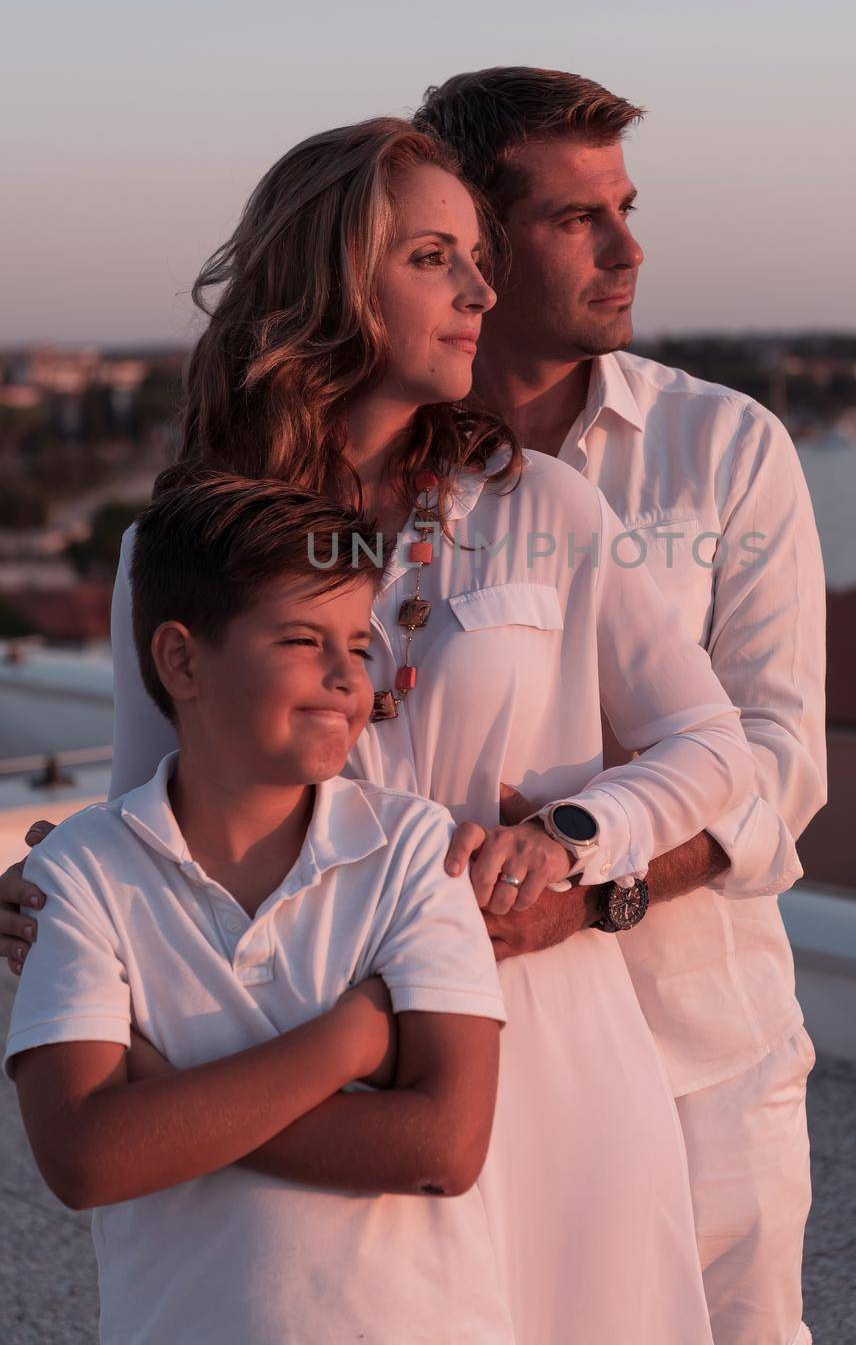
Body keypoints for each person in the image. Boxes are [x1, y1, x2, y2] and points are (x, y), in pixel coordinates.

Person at [1, 118, 756, 1343]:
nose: (479, 287)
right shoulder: (175, 551)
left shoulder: (544, 508)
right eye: (432, 257)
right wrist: (55, 887)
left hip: (537, 1049)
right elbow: (159, 817)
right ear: (331, 285)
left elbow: (713, 746)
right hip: (282, 1041)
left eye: (476, 255)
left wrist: (570, 837)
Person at [413, 67, 828, 1345]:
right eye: (573, 218)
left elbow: (775, 762)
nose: (626, 248)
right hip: (462, 1064)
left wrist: (590, 885)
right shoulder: (368, 466)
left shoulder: (727, 447)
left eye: (625, 208)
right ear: (472, 247)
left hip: (708, 1062)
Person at [5, 473, 513, 1345]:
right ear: (182, 661)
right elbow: (85, 1161)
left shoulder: (412, 851)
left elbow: (443, 1148)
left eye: (358, 646)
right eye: (301, 640)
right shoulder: (84, 871)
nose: (345, 679)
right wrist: (346, 1043)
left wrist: (162, 1107)